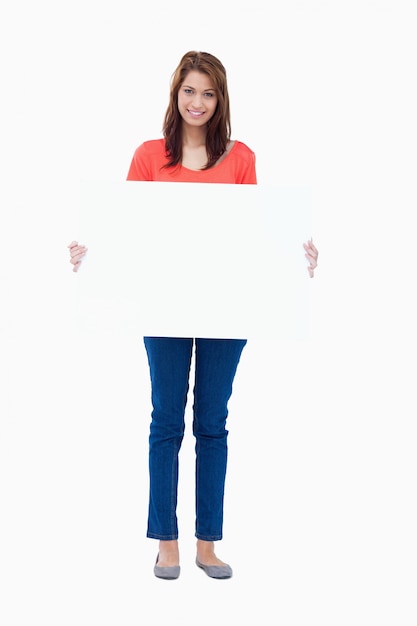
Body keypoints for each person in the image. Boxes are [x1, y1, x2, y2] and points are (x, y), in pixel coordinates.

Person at [68, 51, 319, 580]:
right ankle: (166, 542)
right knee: (165, 420)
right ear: (175, 94)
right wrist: (90, 254)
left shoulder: (241, 158)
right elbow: (124, 231)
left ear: (220, 99)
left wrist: (297, 257)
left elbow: (257, 234)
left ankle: (207, 544)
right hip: (163, 304)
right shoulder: (148, 157)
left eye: (208, 93)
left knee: (212, 424)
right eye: (189, 91)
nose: (197, 102)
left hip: (228, 305)